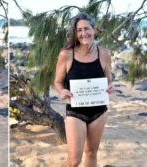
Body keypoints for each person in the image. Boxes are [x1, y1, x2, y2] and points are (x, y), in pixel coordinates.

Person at [54, 13, 113, 167]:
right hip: (75, 111)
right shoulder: (66, 54)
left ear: (94, 30)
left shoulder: (104, 54)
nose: (82, 33)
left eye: (86, 28)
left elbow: (108, 80)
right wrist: (61, 92)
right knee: (74, 161)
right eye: (79, 30)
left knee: (92, 153)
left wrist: (109, 88)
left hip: (99, 111)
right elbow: (58, 82)